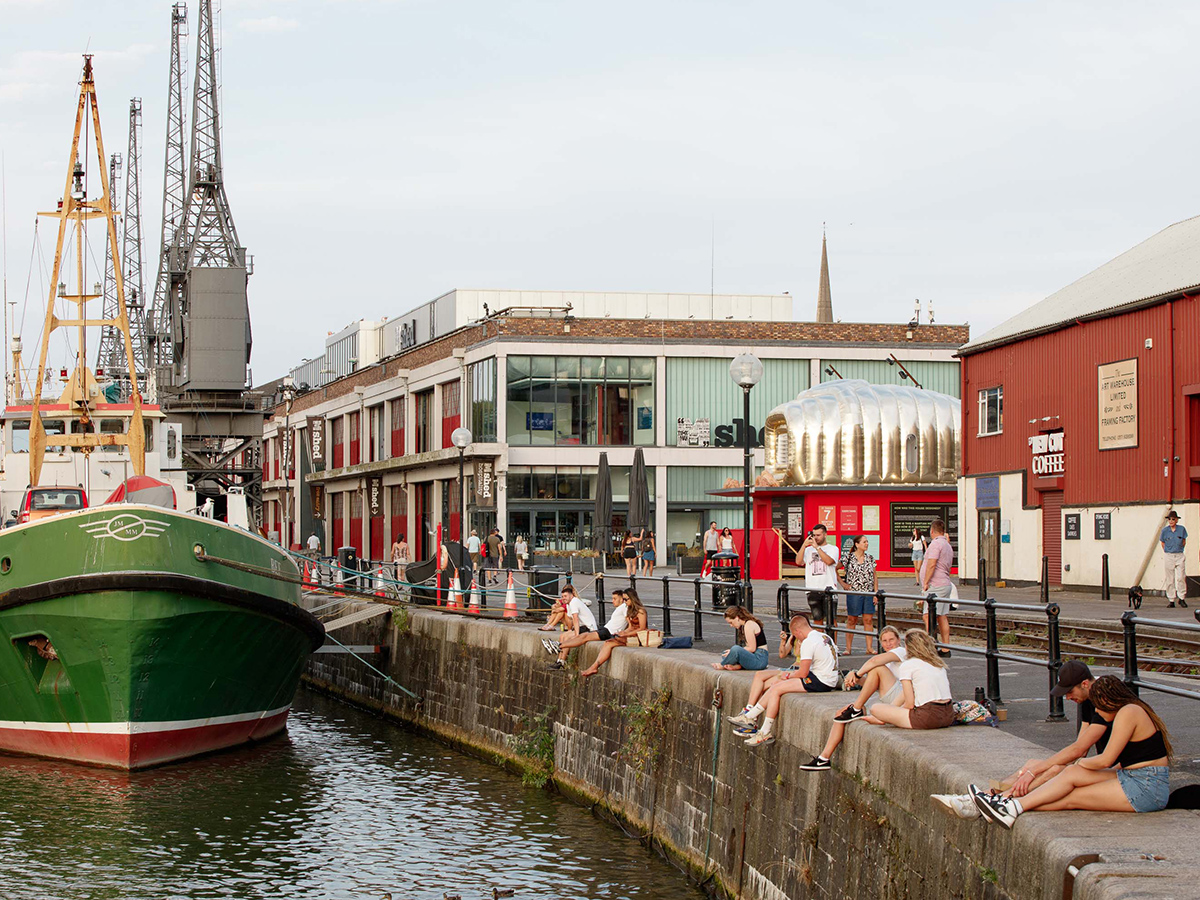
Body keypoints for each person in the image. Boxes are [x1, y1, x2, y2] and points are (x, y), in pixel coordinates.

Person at [969, 675, 1172, 827]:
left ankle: (1012, 806)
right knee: (1072, 774)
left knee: (1072, 797)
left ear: (1109, 700)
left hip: (1146, 788)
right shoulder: (1128, 711)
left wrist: (1079, 764)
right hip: (1134, 776)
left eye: (1098, 707)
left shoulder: (1129, 712)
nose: (1097, 713)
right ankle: (1006, 803)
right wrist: (1073, 768)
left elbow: (1105, 760)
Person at [932, 660, 1109, 819]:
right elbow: (1081, 746)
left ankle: (999, 800)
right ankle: (985, 796)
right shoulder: (1088, 699)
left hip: (1112, 769)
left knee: (1053, 769)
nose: (1068, 698)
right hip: (1101, 764)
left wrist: (1038, 771)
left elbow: (1079, 750)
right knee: (1033, 764)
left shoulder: (1104, 701)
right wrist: (1035, 769)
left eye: (1069, 692)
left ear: (1085, 684)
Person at [801, 629, 952, 770]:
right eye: (884, 640)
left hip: (927, 716)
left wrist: (887, 716)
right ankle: (824, 757)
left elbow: (910, 703)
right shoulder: (937, 664)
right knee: (844, 713)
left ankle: (826, 754)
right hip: (947, 715)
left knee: (875, 709)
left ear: (906, 645)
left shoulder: (909, 664)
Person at [797, 626, 907, 767]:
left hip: (900, 697)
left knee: (876, 668)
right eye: (885, 641)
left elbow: (874, 662)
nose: (888, 643)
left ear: (898, 640)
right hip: (888, 696)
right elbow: (871, 683)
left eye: (891, 639)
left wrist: (856, 674)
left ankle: (857, 708)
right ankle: (823, 758)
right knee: (840, 714)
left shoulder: (900, 652)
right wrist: (855, 678)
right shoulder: (887, 663)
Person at [729, 611, 839, 747]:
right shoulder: (823, 636)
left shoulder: (809, 642)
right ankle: (751, 718)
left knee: (776, 689)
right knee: (777, 684)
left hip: (821, 681)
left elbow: (803, 673)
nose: (797, 639)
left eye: (796, 635)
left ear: (798, 630)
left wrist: (789, 676)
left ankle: (760, 727)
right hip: (826, 677)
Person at [726, 614, 809, 728]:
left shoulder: (809, 640)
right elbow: (782, 654)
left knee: (765, 686)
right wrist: (783, 641)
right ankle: (749, 712)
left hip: (796, 670)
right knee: (760, 677)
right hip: (790, 668)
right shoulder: (794, 638)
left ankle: (751, 719)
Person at [581, 590, 649, 677]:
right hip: (631, 634)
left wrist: (626, 634)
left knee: (609, 644)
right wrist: (623, 632)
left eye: (626, 599)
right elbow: (631, 627)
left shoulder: (641, 611)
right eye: (623, 599)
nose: (624, 602)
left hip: (639, 636)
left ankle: (594, 667)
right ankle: (594, 666)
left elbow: (642, 628)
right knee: (608, 642)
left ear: (632, 599)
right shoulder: (630, 610)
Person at [919, 518, 954, 657]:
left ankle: (931, 646)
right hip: (945, 583)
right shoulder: (947, 545)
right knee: (942, 616)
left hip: (935, 585)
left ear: (932, 531)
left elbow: (931, 564)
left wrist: (926, 582)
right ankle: (945, 648)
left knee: (928, 616)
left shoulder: (935, 544)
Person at [839, 535, 878, 655]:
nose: (866, 544)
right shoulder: (848, 558)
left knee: (868, 619)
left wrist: (875, 593)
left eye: (867, 542)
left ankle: (869, 647)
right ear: (857, 544)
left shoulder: (870, 558)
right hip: (854, 592)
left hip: (868, 592)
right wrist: (843, 583)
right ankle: (848, 648)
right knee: (852, 619)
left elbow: (875, 576)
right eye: (864, 542)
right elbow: (833, 568)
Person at [546, 585, 599, 670]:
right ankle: (559, 660)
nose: (564, 598)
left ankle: (562, 661)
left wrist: (576, 634)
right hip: (582, 626)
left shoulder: (574, 602)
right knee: (562, 636)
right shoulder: (568, 604)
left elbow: (575, 618)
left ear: (571, 595)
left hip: (588, 627)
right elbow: (570, 623)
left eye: (566, 596)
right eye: (562, 596)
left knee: (567, 638)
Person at [712, 606, 768, 672]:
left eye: (731, 622)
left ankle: (723, 664)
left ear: (737, 618)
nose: (731, 625)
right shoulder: (744, 626)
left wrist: (733, 652)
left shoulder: (749, 624)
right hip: (755, 656)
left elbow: (752, 648)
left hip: (759, 659)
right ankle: (739, 666)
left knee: (735, 649)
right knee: (726, 653)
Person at [802, 524, 839, 623]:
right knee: (817, 620)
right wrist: (804, 545)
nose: (816, 538)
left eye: (818, 535)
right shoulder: (808, 550)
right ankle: (820, 638)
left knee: (832, 620)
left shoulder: (833, 549)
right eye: (814, 535)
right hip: (813, 588)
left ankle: (832, 639)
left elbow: (829, 561)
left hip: (829, 588)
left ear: (825, 535)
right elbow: (798, 561)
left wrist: (817, 548)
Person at [1160, 510, 1188, 608]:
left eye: (1173, 519)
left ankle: (1182, 597)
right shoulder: (1164, 531)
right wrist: (1167, 551)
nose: (1171, 521)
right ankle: (1171, 599)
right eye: (1169, 519)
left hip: (1179, 554)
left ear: (1176, 520)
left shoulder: (1182, 529)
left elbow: (1184, 541)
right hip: (1169, 555)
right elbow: (1162, 542)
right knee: (1170, 578)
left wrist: (1179, 549)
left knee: (1181, 577)